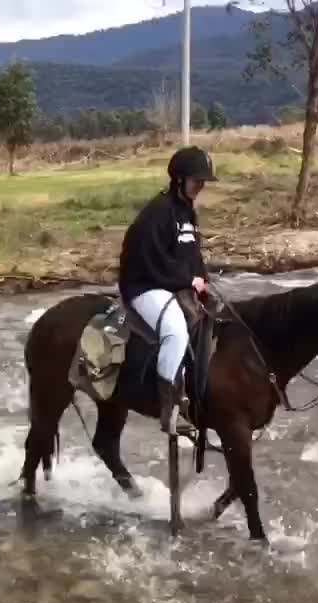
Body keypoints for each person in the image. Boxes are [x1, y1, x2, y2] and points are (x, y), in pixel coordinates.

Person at [117, 146, 217, 435]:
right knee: (176, 332)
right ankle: (169, 407)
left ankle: (195, 390)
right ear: (179, 179)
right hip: (146, 285)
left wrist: (202, 280)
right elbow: (152, 261)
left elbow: (192, 255)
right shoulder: (157, 213)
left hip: (172, 282)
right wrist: (188, 280)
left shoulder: (188, 212)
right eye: (197, 180)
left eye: (203, 181)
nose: (201, 186)